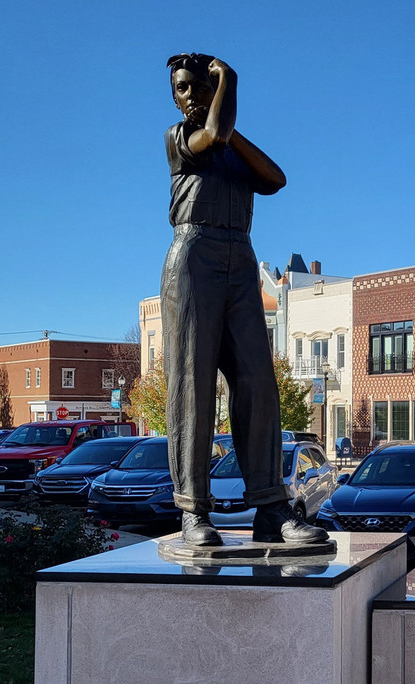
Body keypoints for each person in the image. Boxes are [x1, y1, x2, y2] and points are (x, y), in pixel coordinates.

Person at [162, 53, 327, 546]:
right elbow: (211, 135)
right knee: (192, 385)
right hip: (194, 256)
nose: (190, 96)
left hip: (241, 257)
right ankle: (194, 511)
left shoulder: (232, 146)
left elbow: (276, 179)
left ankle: (271, 510)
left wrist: (230, 115)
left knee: (258, 383)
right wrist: (228, 82)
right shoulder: (180, 139)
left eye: (199, 87)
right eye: (182, 89)